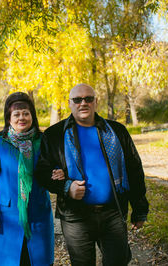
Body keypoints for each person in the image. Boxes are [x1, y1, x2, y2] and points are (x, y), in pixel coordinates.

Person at [35, 84, 149, 266]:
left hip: (113, 212)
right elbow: (42, 172)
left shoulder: (116, 131)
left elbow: (134, 170)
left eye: (88, 98)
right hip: (75, 217)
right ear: (69, 103)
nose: (83, 103)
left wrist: (140, 208)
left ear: (96, 101)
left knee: (118, 262)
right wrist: (66, 187)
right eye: (77, 100)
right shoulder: (54, 135)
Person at [0, 92, 54, 266]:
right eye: (17, 114)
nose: (22, 118)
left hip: (38, 215)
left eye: (26, 113)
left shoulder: (43, 141)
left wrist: (57, 173)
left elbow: (52, 170)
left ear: (32, 116)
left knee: (38, 261)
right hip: (7, 217)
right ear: (9, 118)